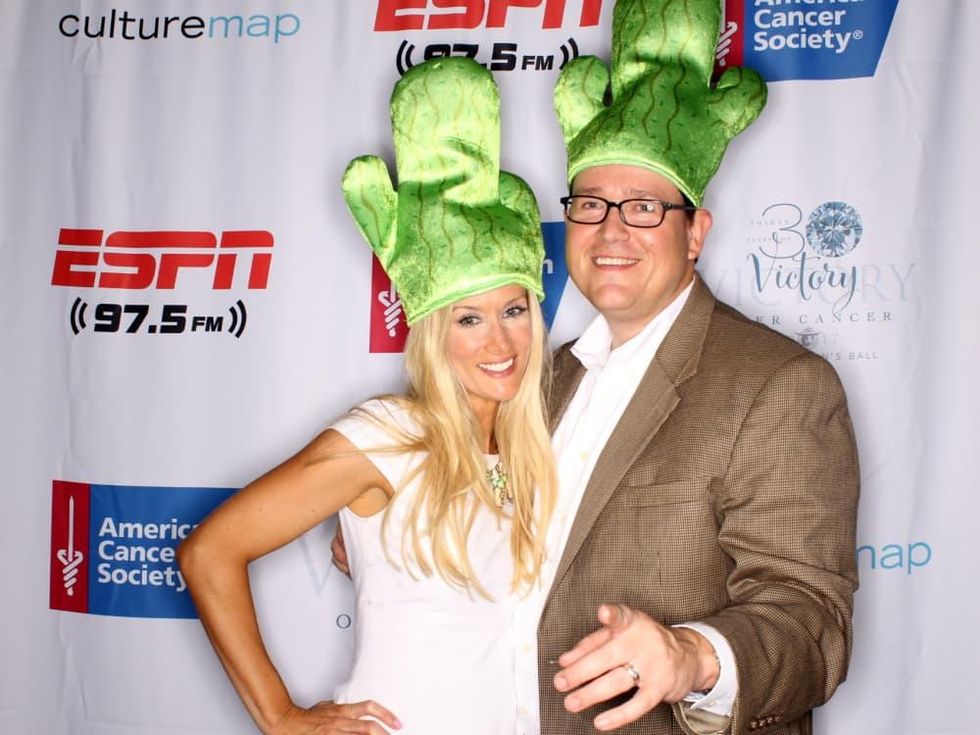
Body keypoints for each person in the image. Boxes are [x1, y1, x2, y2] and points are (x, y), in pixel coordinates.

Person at [336, 1, 859, 733]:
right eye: (590, 204)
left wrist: (693, 656)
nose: (611, 231)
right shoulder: (533, 382)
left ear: (695, 232)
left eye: (644, 207)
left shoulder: (778, 384)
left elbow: (810, 619)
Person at [178, 57, 557, 735]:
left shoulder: (536, 444)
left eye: (513, 310)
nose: (499, 341)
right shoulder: (386, 435)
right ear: (433, 332)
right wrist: (280, 716)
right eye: (468, 319)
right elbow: (209, 552)